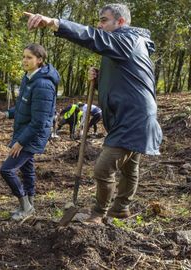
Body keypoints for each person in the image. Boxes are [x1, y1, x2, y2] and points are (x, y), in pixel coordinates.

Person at [25, 3, 162, 223]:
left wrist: (54, 23)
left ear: (120, 22)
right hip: (130, 115)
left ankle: (99, 213)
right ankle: (120, 210)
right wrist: (100, 81)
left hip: (133, 118)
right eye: (99, 20)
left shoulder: (126, 40)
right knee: (129, 167)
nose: (99, 25)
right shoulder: (123, 44)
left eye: (104, 20)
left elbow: (91, 36)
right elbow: (126, 83)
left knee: (103, 168)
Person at [0, 44, 60, 221]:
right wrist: (7, 113)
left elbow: (39, 121)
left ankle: (25, 206)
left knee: (6, 170)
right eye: (23, 56)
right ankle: (30, 203)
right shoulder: (28, 78)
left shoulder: (43, 85)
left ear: (39, 60)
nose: (25, 60)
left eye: (29, 57)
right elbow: (24, 107)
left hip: (33, 135)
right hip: (25, 130)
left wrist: (21, 142)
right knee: (27, 167)